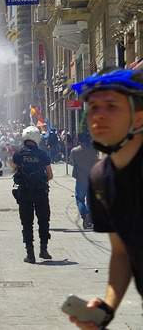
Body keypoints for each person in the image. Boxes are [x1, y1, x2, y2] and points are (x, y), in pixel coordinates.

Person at [69, 68, 143, 329]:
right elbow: (121, 252)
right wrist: (107, 309)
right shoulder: (100, 178)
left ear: (138, 117)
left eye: (111, 106)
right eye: (93, 107)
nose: (98, 115)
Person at [12, 126, 53, 264]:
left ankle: (30, 255)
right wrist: (40, 181)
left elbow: (14, 169)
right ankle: (44, 250)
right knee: (43, 221)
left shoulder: (18, 154)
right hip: (41, 192)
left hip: (24, 193)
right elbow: (50, 175)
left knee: (27, 224)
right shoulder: (42, 154)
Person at [69, 133, 98, 229]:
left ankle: (85, 215)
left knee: (80, 199)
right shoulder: (93, 149)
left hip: (81, 178)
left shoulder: (74, 151)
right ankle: (89, 217)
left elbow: (71, 162)